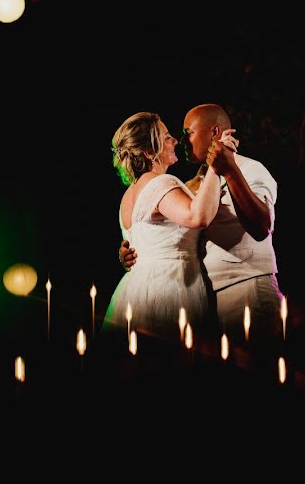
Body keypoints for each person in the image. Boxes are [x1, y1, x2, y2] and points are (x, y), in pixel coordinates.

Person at [120, 104, 283, 340]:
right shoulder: (191, 184)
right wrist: (136, 249)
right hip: (204, 298)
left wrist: (229, 171)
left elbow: (262, 227)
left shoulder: (249, 169)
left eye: (189, 133)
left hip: (246, 288)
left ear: (214, 133)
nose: (181, 140)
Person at [103, 111, 225, 341]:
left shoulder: (130, 193)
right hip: (171, 286)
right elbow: (197, 216)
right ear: (150, 152)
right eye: (167, 137)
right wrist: (216, 167)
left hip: (135, 289)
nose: (176, 141)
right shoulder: (159, 182)